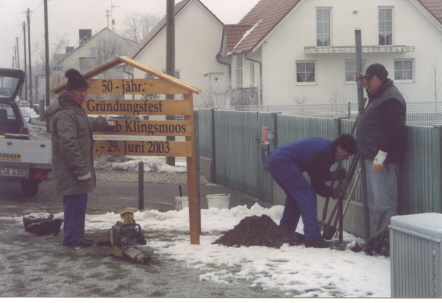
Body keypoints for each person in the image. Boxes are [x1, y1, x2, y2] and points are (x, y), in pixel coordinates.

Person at [47, 68, 112, 247]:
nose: (83, 95)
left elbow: (83, 125)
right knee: (75, 204)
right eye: (79, 91)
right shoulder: (66, 113)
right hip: (71, 170)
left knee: (78, 204)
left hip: (74, 170)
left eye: (85, 91)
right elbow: (68, 144)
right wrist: (81, 170)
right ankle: (72, 239)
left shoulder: (74, 109)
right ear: (69, 92)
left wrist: (100, 122)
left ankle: (76, 236)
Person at [267, 134, 357, 248]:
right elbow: (317, 184)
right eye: (345, 155)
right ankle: (313, 239)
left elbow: (317, 173)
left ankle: (285, 232)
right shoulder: (324, 153)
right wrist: (333, 192)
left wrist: (333, 175)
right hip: (283, 162)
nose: (345, 158)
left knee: (295, 197)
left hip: (275, 159)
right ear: (339, 148)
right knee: (307, 195)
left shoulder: (325, 148)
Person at [357, 63, 407, 237]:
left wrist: (382, 154)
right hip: (374, 157)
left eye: (370, 79)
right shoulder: (380, 95)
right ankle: (377, 240)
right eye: (366, 80)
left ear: (380, 78)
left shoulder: (391, 99)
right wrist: (366, 84)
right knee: (376, 202)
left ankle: (384, 243)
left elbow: (393, 130)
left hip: (383, 161)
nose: (367, 83)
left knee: (384, 204)